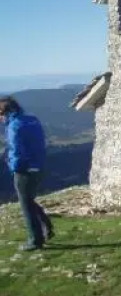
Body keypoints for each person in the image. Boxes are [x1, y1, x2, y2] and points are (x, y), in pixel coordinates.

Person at [1, 96, 53, 251]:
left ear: (5, 112)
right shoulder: (32, 120)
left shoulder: (14, 126)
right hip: (39, 167)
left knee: (25, 205)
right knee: (29, 200)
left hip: (24, 170)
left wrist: (13, 167)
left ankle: (35, 240)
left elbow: (17, 151)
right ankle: (46, 226)